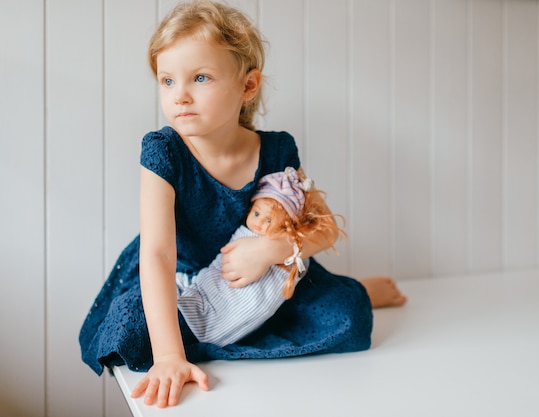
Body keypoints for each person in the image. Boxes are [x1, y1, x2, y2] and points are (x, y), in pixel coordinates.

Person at [78, 0, 406, 409]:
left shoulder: (277, 149)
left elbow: (321, 229)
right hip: (183, 283)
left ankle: (360, 289)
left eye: (200, 78)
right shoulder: (163, 151)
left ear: (248, 86)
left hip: (260, 280)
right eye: (166, 81)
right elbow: (158, 254)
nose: (179, 96)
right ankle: (199, 343)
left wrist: (272, 250)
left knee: (350, 314)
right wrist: (168, 357)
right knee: (129, 330)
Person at [176, 166, 344, 347]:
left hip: (262, 284)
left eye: (269, 220)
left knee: (343, 313)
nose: (258, 223)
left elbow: (328, 231)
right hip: (193, 271)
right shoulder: (243, 233)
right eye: (256, 214)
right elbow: (219, 266)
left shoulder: (288, 251)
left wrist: (269, 250)